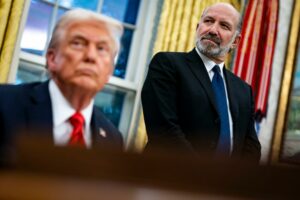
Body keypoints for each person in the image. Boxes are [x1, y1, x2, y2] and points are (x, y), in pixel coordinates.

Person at [141, 3, 261, 161]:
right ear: (198, 27)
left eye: (224, 26)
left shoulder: (244, 90)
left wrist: (233, 182)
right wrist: (204, 177)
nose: (212, 30)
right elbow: (164, 131)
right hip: (167, 179)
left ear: (235, 41)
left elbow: (251, 147)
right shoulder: (167, 64)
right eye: (208, 21)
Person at [0, 9, 123, 155]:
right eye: (78, 43)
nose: (91, 56)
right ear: (52, 58)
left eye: (101, 48)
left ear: (109, 71)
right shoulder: (4, 103)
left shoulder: (113, 139)